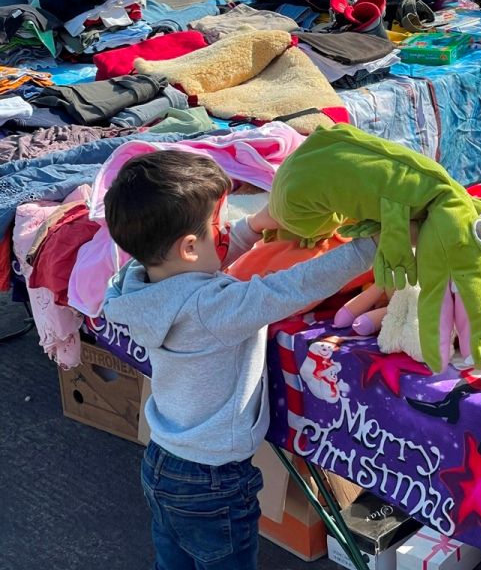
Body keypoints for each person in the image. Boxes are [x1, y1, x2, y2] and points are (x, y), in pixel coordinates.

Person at [102, 150, 377, 570]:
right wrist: (371, 246)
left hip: (163, 462)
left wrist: (253, 227)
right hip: (213, 482)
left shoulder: (136, 286)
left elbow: (195, 271)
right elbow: (291, 287)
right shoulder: (215, 309)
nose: (225, 231)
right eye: (219, 226)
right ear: (190, 246)